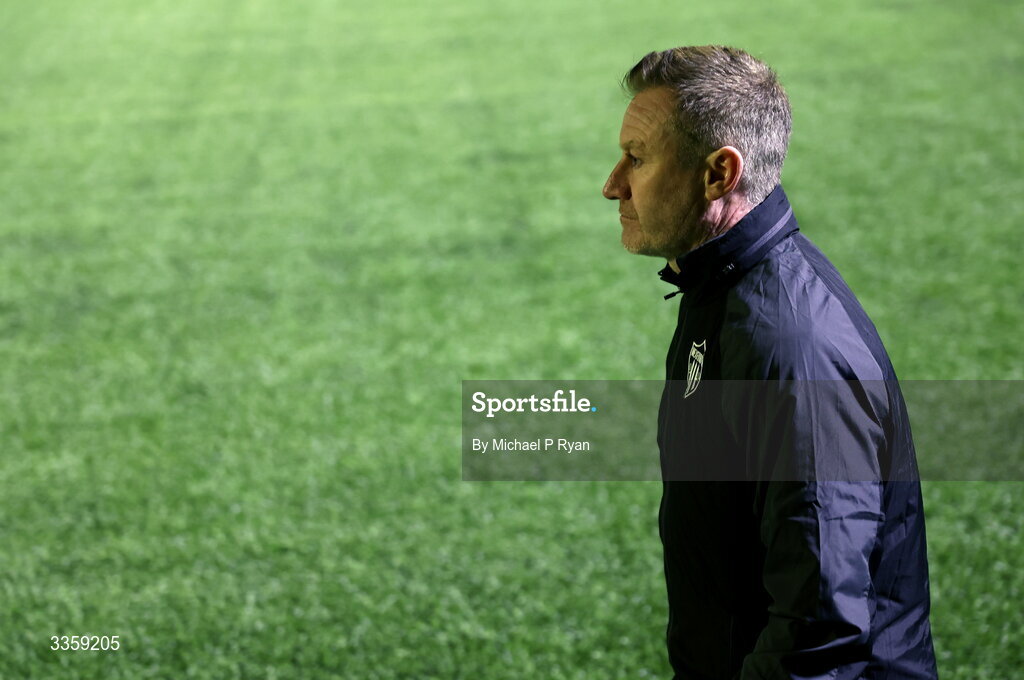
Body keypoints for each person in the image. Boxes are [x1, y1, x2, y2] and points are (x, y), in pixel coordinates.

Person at [602, 46, 939, 679]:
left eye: (637, 159)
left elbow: (820, 629)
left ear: (718, 174)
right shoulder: (718, 288)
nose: (612, 183)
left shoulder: (790, 346)